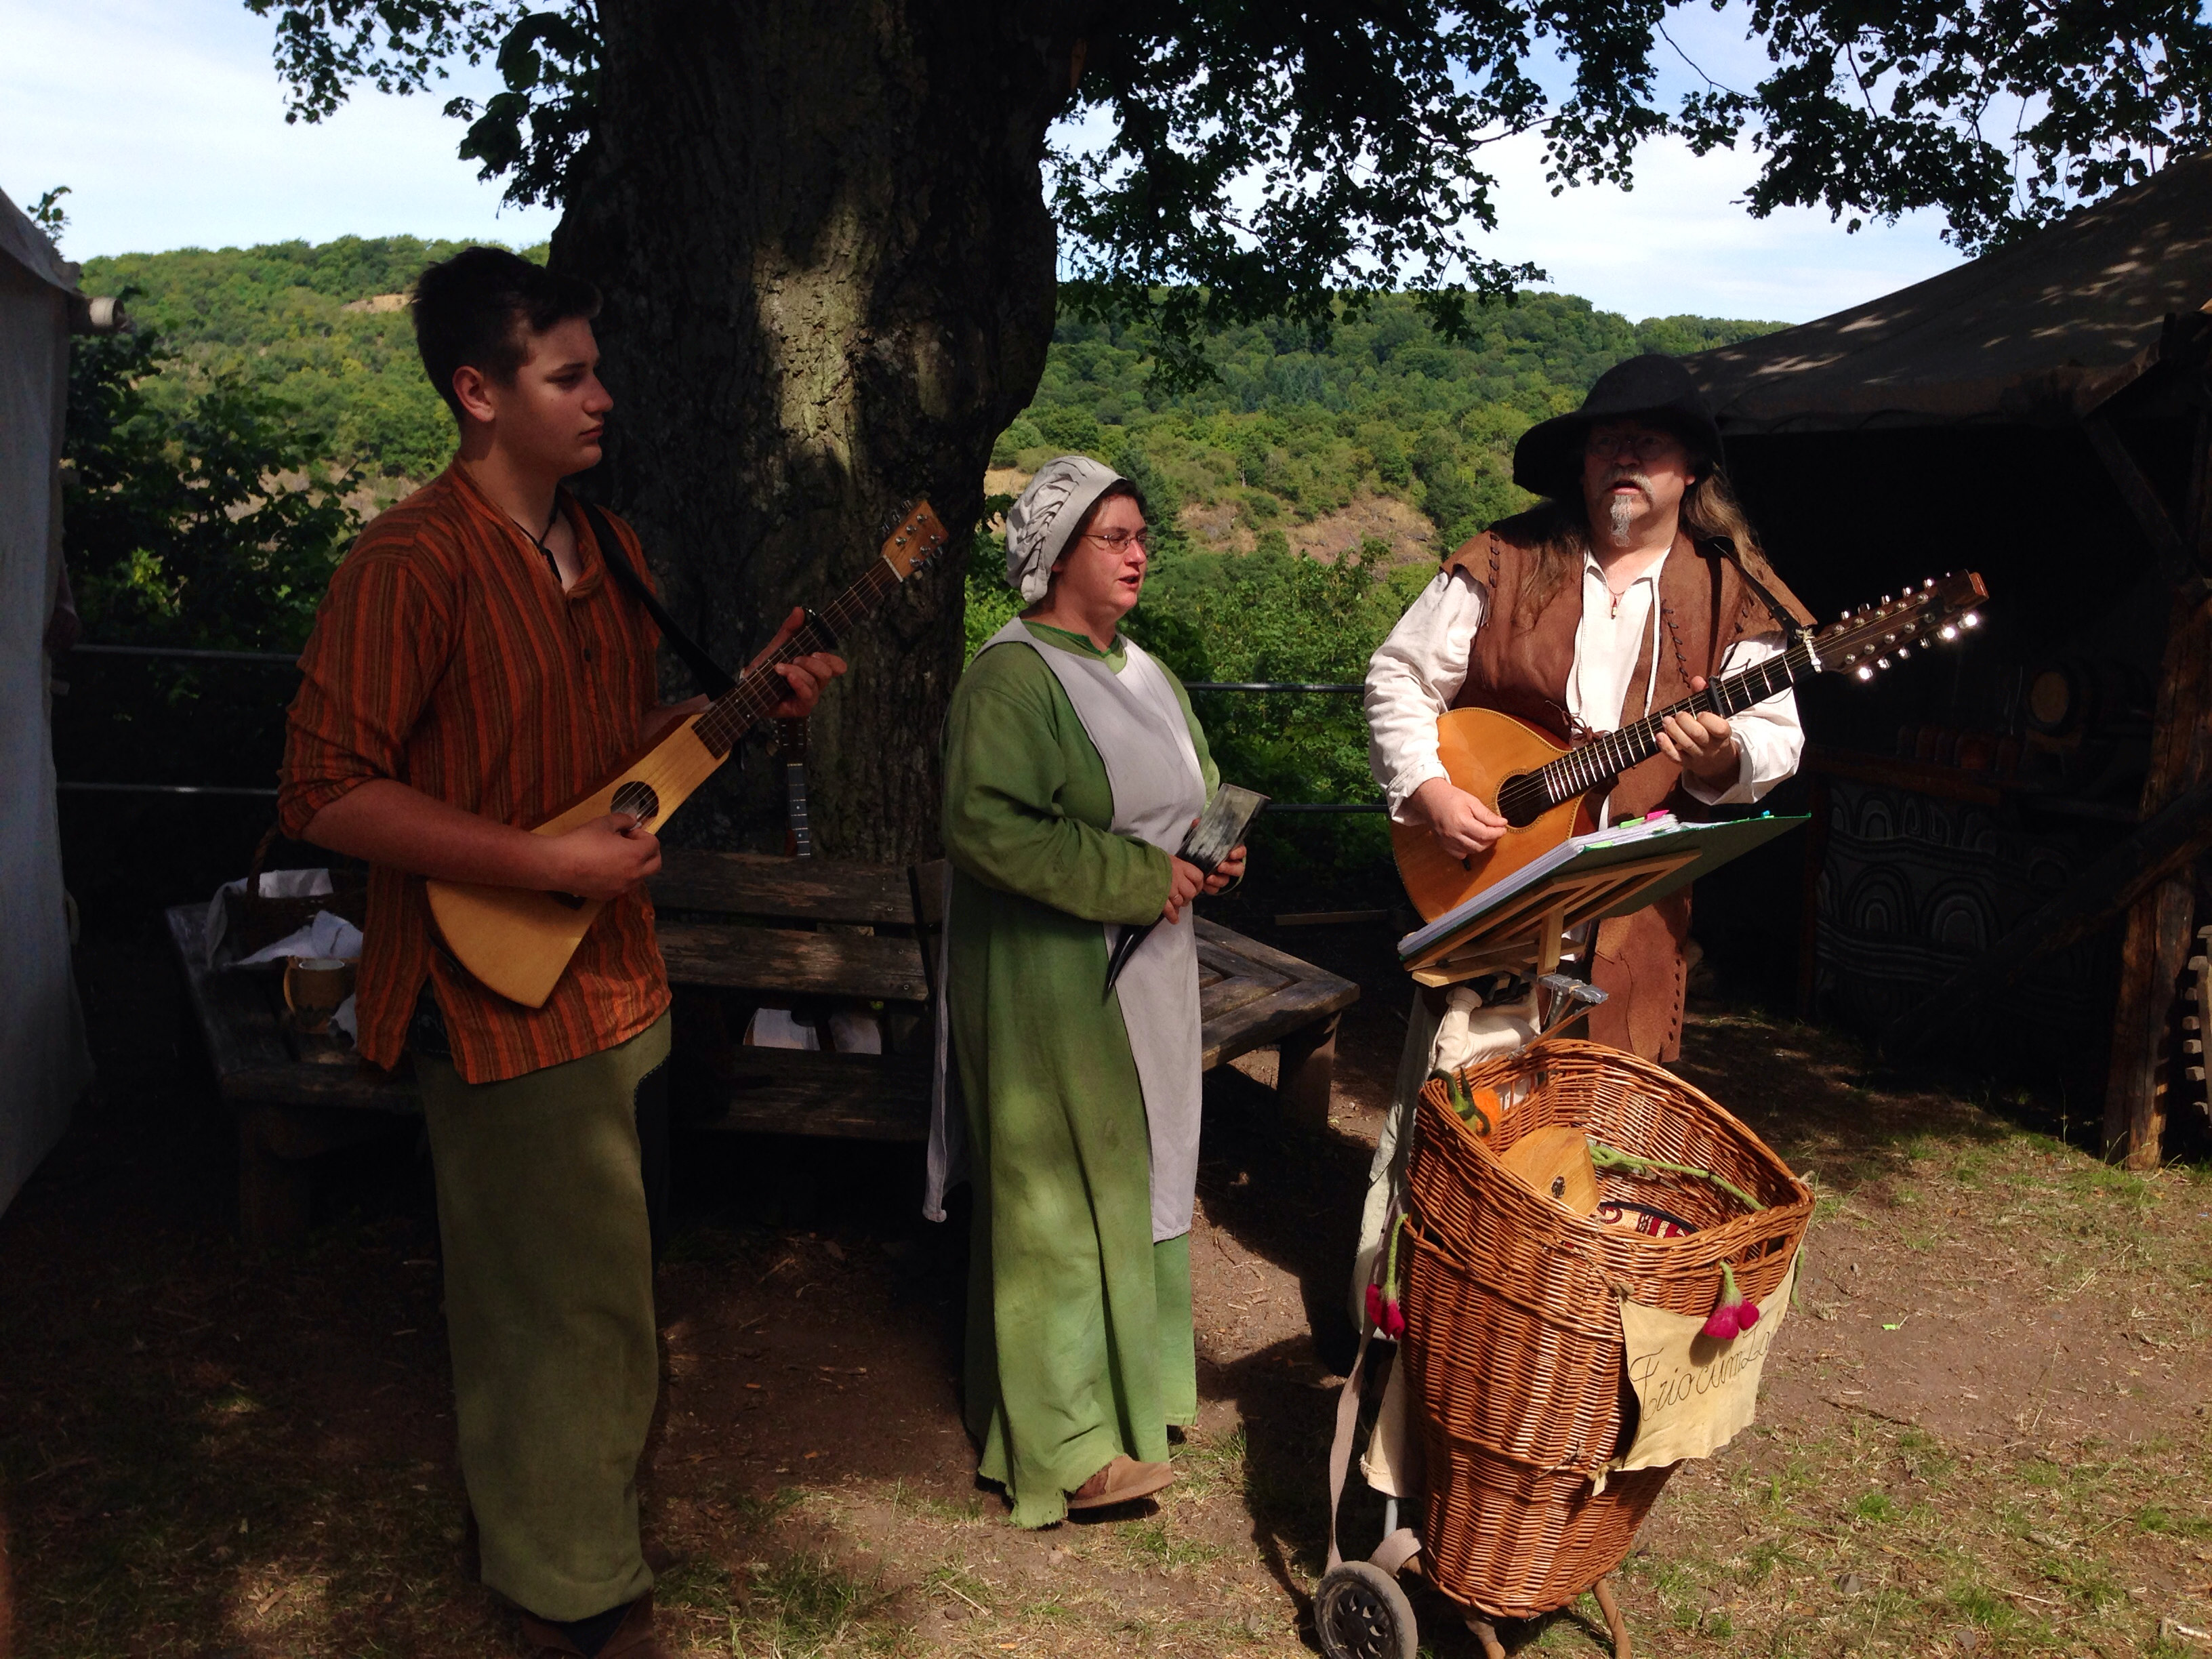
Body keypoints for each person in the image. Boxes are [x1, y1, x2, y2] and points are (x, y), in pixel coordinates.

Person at [278, 247, 844, 1659]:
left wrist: (750, 712)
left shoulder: (616, 549)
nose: (603, 398)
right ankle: (569, 1592)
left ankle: (578, 1526)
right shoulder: (406, 564)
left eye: (600, 370)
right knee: (551, 1306)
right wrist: (540, 862)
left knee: (604, 1288)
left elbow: (612, 765)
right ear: (477, 393)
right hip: (491, 992)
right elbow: (326, 790)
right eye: (567, 375)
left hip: (614, 977)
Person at [1354, 353, 1811, 1311]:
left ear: (1692, 470)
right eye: (1608, 442)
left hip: (1630, 924)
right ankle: (1411, 1334)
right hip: (1489, 898)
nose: (1624, 459)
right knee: (1453, 1131)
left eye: (1647, 443)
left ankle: (1551, 1362)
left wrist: (1717, 759)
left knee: (1600, 1159)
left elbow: (1775, 749)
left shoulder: (1737, 595)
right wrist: (1432, 790)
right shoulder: (1507, 559)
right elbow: (1398, 678)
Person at [926, 455, 1247, 1528]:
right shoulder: (1009, 679)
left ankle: (1135, 1400)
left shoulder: (1147, 672)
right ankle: (1060, 1447)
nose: (1138, 552)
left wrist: (1210, 855)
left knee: (1141, 1169)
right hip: (1046, 979)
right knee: (1054, 1193)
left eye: (1142, 535)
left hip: (1148, 972)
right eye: (1115, 537)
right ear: (1055, 557)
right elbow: (985, 825)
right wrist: (1140, 876)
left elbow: (1189, 795)